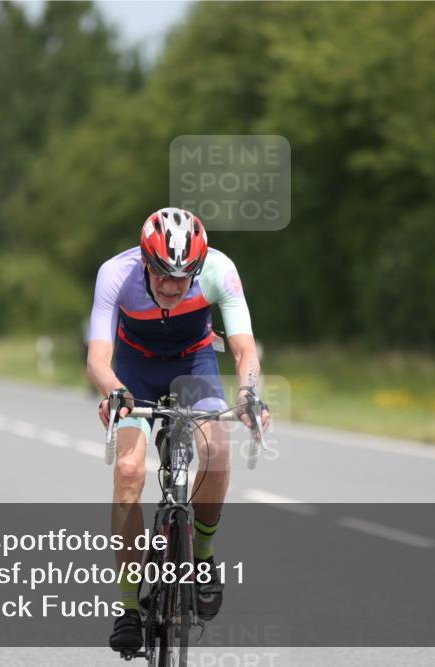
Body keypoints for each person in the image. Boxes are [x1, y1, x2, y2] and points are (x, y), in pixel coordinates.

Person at [86, 207, 270, 653]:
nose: (171, 287)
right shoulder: (115, 274)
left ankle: (202, 557)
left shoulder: (220, 270)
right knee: (129, 471)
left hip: (194, 363)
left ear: (198, 268)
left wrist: (248, 394)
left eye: (183, 278)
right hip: (135, 371)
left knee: (217, 450)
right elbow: (97, 359)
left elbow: (244, 350)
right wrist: (114, 392)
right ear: (144, 262)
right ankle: (130, 607)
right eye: (161, 275)